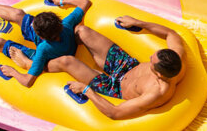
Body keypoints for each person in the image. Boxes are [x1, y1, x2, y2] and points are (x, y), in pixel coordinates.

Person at [57, 15, 187, 120]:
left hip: (114, 88)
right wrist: (138, 22)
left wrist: (86, 90)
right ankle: (51, 42)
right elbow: (171, 34)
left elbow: (114, 113)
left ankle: (38, 60)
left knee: (66, 61)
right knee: (82, 31)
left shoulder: (156, 93)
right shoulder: (177, 57)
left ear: (159, 74)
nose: (149, 58)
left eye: (151, 62)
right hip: (128, 65)